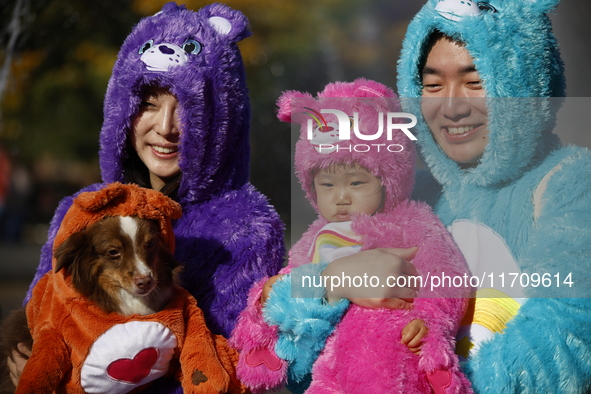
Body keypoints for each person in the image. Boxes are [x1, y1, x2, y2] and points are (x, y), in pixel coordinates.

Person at [7, 3, 284, 393]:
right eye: (149, 104)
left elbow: (242, 367)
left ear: (220, 118)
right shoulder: (85, 209)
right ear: (124, 109)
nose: (166, 128)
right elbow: (39, 318)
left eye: (187, 109)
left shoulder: (246, 226)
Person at [394, 0, 591, 392]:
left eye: (476, 81)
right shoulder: (416, 198)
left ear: (524, 84)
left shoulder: (571, 184)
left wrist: (441, 384)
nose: (451, 106)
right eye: (433, 85)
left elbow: (567, 333)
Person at [230, 79, 472, 393]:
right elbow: (303, 278)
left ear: (389, 179)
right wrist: (277, 291)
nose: (341, 197)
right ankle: (263, 347)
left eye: (356, 183)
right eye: (327, 185)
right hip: (327, 363)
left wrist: (431, 320)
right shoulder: (315, 236)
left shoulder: (410, 223)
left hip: (389, 350)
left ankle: (437, 372)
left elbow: (448, 277)